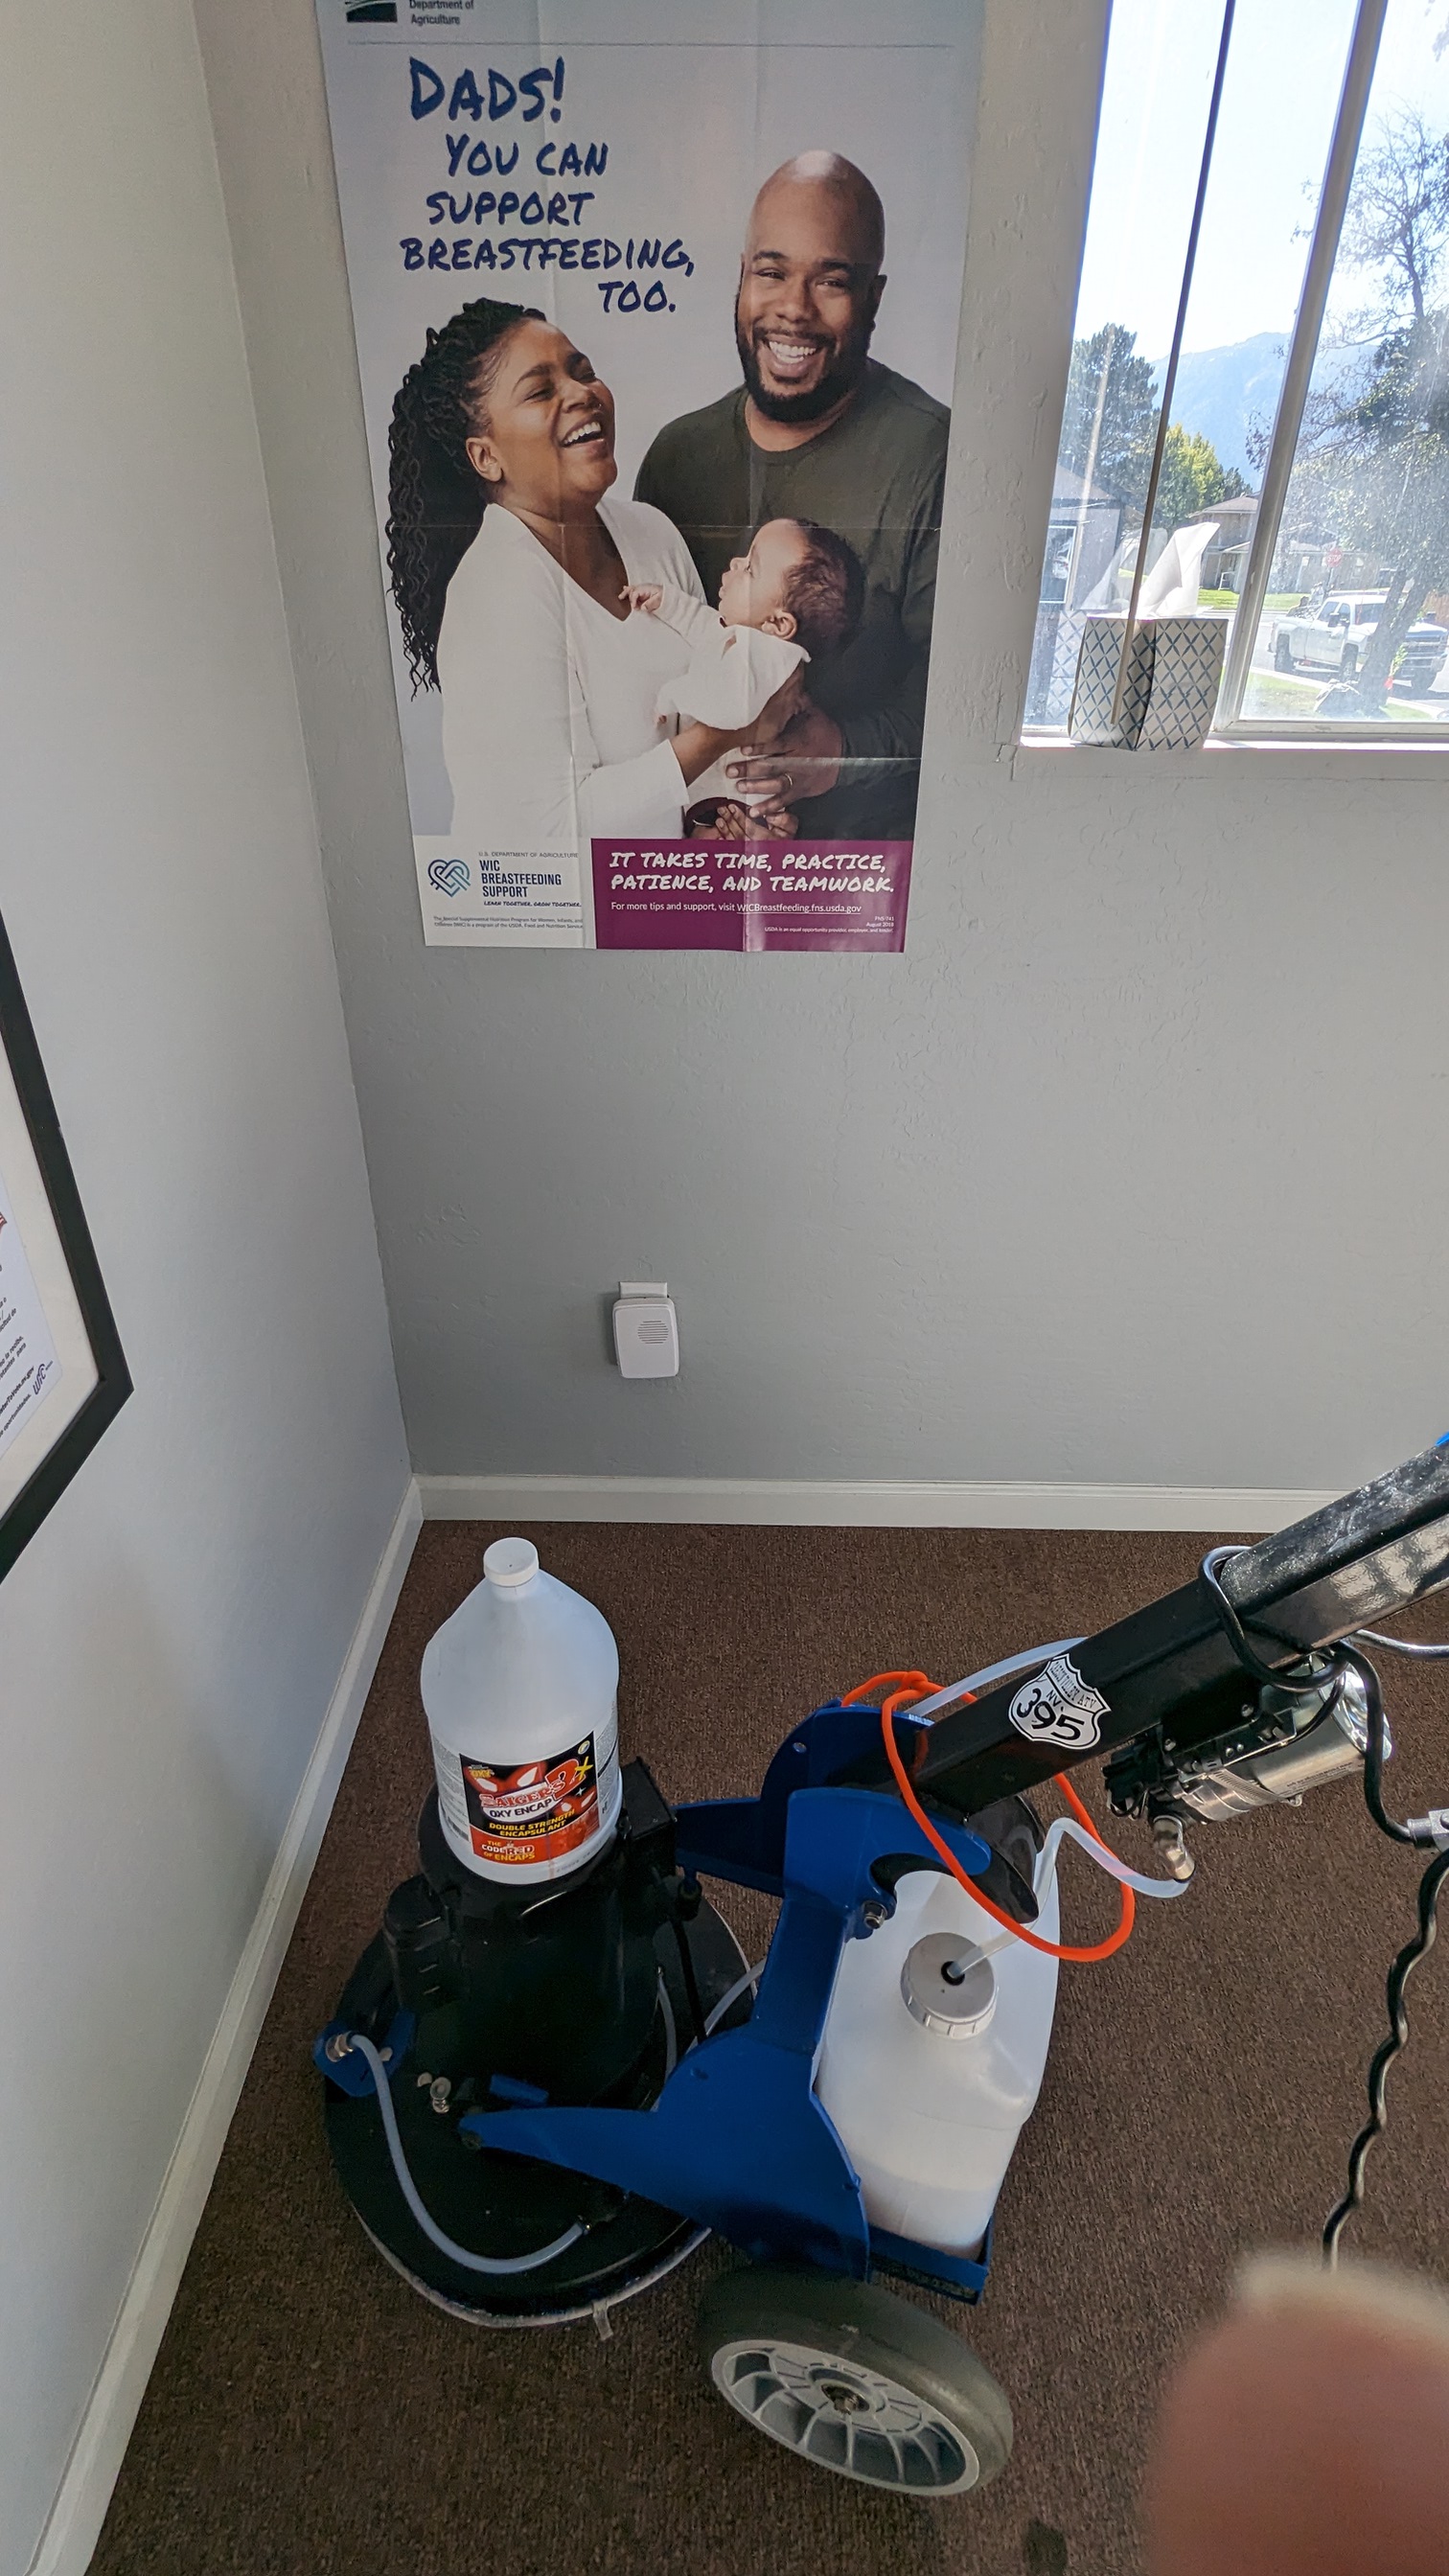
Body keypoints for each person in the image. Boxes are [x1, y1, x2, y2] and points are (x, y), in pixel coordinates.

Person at [385, 298, 774, 862]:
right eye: (540, 391)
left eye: (583, 371)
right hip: (546, 911)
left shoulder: (650, 532)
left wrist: (727, 817)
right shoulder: (496, 592)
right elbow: (548, 832)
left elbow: (707, 697)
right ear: (486, 457)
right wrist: (723, 734)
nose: (581, 393)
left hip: (657, 897)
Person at [634, 150, 949, 841]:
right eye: (771, 273)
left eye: (830, 281)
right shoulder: (676, 458)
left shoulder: (934, 457)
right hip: (692, 857)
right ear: (743, 276)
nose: (793, 310)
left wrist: (842, 752)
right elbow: (641, 661)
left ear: (873, 298)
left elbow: (965, 693)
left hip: (864, 874)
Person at [623, 518, 865, 826]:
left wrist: (672, 696)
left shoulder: (767, 657)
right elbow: (707, 629)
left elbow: (732, 707)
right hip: (718, 791)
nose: (735, 563)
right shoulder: (754, 638)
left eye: (750, 568)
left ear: (779, 623)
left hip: (732, 801)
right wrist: (668, 602)